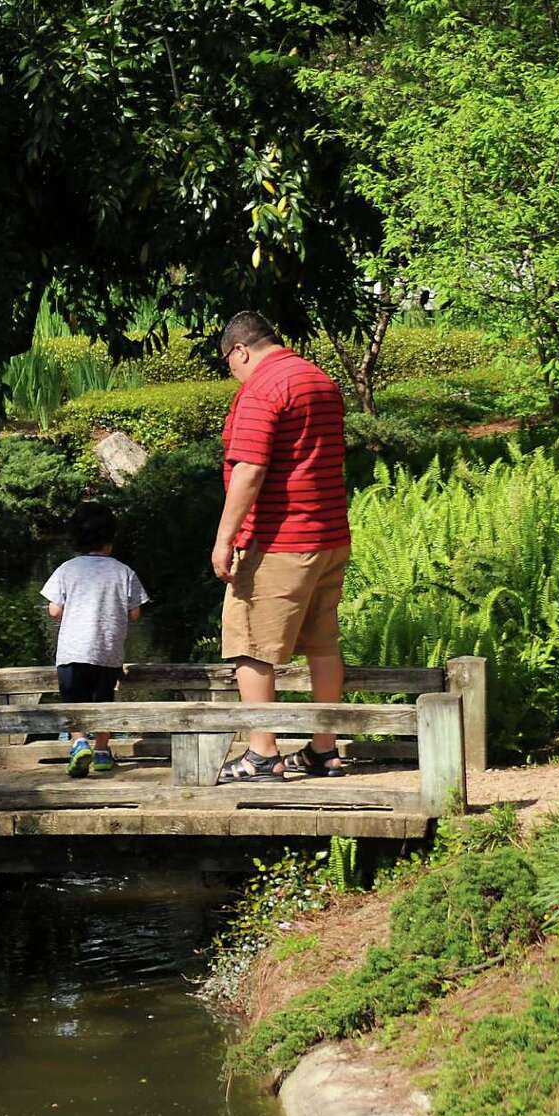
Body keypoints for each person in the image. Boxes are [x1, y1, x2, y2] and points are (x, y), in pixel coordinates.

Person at [212, 310, 350, 783]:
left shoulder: (263, 388)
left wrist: (224, 539)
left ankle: (262, 754)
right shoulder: (318, 379)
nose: (236, 375)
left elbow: (250, 470)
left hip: (278, 542)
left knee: (250, 646)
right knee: (323, 645)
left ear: (240, 351)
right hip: (329, 536)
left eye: (232, 366)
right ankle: (323, 750)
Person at [41, 500, 148, 778]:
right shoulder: (123, 571)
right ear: (111, 539)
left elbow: (54, 610)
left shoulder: (67, 569)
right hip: (108, 651)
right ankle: (101, 750)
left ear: (75, 538)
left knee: (73, 700)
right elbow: (134, 613)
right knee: (104, 700)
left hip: (73, 650)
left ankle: (78, 742)